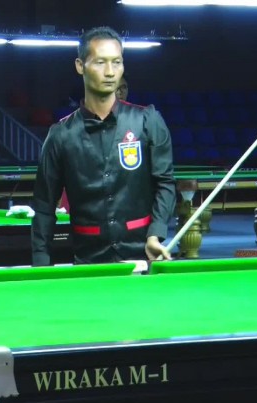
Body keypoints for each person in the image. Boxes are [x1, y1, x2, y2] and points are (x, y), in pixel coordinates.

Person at [31, 26, 176, 265]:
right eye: (100, 62)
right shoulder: (60, 135)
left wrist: (156, 233)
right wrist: (40, 263)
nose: (110, 72)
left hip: (142, 258)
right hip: (87, 264)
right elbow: (44, 207)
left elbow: (165, 183)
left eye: (116, 62)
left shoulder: (147, 121)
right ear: (80, 66)